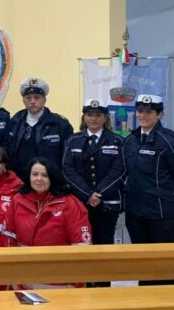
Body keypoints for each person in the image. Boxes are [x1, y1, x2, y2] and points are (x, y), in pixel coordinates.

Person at [123, 94, 174, 286]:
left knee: (165, 264)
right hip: (136, 213)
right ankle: (147, 298)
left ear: (159, 114)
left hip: (162, 215)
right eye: (140, 111)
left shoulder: (170, 141)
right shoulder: (131, 140)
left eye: (149, 112)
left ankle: (169, 299)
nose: (143, 115)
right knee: (144, 263)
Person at [62, 98, 125, 287]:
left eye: (98, 115)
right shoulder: (73, 140)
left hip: (107, 205)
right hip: (80, 204)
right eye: (90, 114)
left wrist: (99, 194)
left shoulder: (117, 141)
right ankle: (85, 286)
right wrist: (87, 195)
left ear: (105, 118)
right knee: (81, 246)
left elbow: (119, 170)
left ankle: (103, 288)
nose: (94, 118)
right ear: (84, 117)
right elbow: (67, 170)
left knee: (104, 248)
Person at [3, 158, 91, 289]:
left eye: (44, 175)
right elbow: (9, 237)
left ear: (52, 177)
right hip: (25, 276)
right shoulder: (17, 200)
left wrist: (77, 282)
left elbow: (81, 245)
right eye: (35, 174)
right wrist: (12, 272)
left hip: (59, 279)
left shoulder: (70, 203)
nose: (39, 179)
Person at [3, 77, 74, 175]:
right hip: (17, 179)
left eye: (37, 97)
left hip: (47, 179)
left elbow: (68, 158)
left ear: (44, 100)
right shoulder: (14, 122)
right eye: (28, 98)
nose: (32, 101)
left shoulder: (60, 125)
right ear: (23, 101)